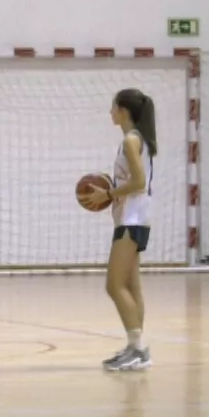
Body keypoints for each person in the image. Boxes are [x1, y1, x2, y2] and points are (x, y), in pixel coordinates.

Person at [81, 88, 155, 371]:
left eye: (113, 107)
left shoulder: (130, 140)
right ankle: (136, 348)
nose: (110, 112)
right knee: (132, 285)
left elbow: (138, 182)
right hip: (137, 218)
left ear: (123, 111)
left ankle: (138, 349)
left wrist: (108, 194)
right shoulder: (137, 139)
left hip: (131, 219)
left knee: (114, 285)